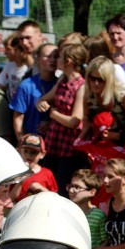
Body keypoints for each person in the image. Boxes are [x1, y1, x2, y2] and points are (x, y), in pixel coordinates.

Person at [37, 43, 88, 193]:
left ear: (68, 61)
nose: (56, 60)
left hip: (68, 147)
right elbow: (44, 99)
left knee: (62, 187)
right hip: (54, 142)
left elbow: (74, 121)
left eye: (59, 56)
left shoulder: (81, 86)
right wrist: (42, 104)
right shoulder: (62, 80)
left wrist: (53, 114)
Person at [12, 43, 59, 140]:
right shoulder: (26, 85)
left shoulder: (62, 84)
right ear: (38, 59)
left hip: (56, 142)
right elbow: (18, 117)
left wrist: (50, 123)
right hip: (32, 141)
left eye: (56, 56)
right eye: (48, 56)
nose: (53, 60)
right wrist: (21, 140)